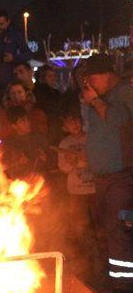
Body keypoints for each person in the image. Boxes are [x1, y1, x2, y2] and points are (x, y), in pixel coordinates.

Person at [81, 54, 133, 293]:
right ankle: (115, 281)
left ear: (108, 74)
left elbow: (121, 122)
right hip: (102, 178)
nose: (89, 84)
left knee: (119, 231)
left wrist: (96, 102)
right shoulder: (98, 99)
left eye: (93, 78)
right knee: (109, 232)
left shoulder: (124, 92)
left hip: (121, 177)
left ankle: (125, 288)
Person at [55, 112, 99, 282]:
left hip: (93, 188)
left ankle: (101, 254)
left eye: (76, 121)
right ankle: (86, 258)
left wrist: (87, 159)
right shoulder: (64, 143)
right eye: (70, 123)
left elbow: (99, 159)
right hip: (76, 191)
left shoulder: (90, 138)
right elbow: (63, 167)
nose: (74, 125)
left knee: (98, 221)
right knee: (81, 225)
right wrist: (72, 162)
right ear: (64, 128)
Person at [1, 106, 51, 179]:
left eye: (27, 119)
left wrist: (46, 158)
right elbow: (4, 168)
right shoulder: (9, 144)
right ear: (14, 126)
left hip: (41, 181)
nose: (28, 123)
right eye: (23, 121)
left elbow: (53, 162)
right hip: (21, 184)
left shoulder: (40, 139)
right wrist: (17, 163)